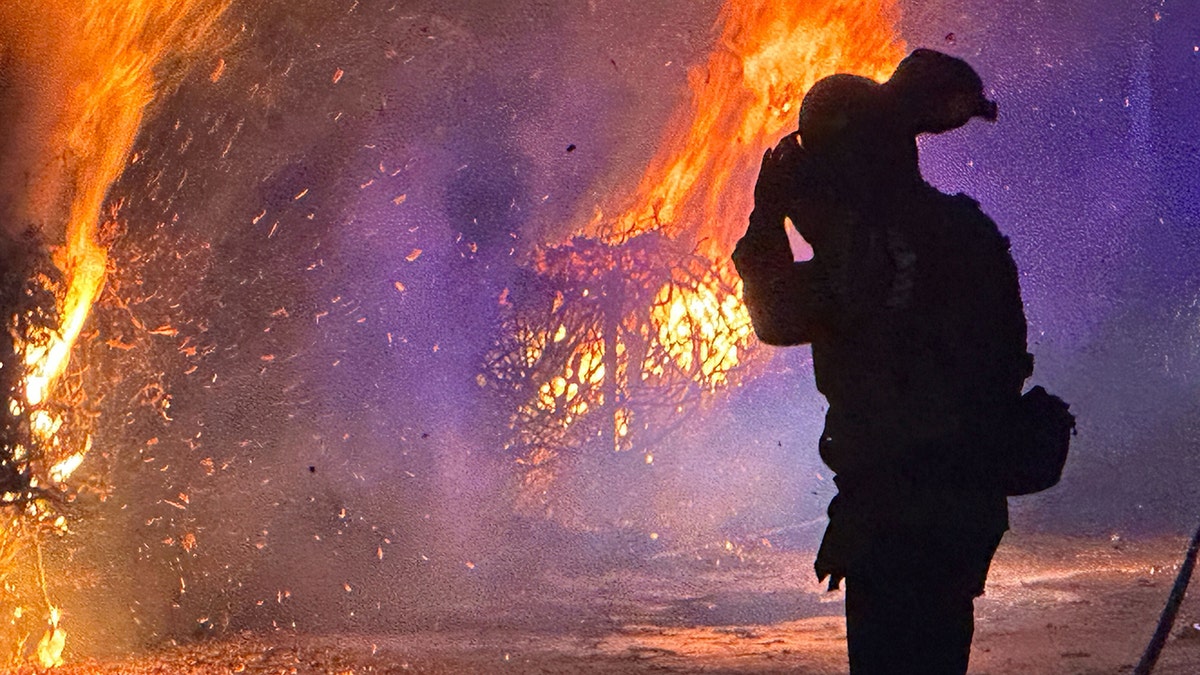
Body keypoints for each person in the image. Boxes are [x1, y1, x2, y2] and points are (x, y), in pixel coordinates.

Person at [732, 49, 1033, 674]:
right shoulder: (961, 229)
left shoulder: (870, 254)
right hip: (959, 506)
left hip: (898, 514)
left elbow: (776, 318)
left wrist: (770, 217)